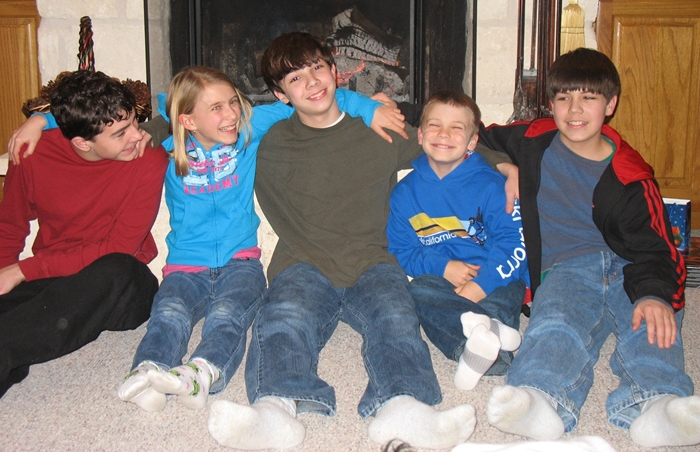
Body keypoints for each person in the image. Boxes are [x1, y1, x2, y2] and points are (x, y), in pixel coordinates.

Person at [9, 66, 402, 412]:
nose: (231, 114)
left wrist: (368, 106)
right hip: (184, 264)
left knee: (229, 315)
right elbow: (100, 120)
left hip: (241, 261)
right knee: (168, 312)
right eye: (216, 108)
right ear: (187, 120)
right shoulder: (164, 148)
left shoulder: (248, 130)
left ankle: (203, 372)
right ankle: (148, 371)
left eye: (232, 103)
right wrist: (43, 120)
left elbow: (308, 101)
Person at [205, 32, 513, 450]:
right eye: (295, 79)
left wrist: (502, 163)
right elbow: (196, 126)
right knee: (283, 318)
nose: (311, 82)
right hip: (303, 259)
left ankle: (403, 404)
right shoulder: (267, 143)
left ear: (335, 71)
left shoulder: (379, 131)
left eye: (317, 68)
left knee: (395, 319)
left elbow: (444, 143)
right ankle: (274, 408)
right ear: (280, 95)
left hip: (373, 260)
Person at [477, 48, 700, 448]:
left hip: (630, 266)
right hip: (567, 266)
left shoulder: (632, 177)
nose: (575, 109)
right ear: (550, 104)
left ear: (610, 105)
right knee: (556, 322)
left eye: (589, 98)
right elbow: (468, 132)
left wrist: (654, 294)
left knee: (652, 325)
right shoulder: (531, 140)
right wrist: (504, 164)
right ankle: (540, 399)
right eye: (564, 98)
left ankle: (659, 404)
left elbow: (659, 249)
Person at [0, 70, 168, 398]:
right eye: (121, 133)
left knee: (118, 267)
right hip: (53, 280)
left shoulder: (148, 158)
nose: (138, 135)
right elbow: (9, 227)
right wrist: (6, 274)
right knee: (21, 307)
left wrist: (22, 270)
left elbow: (119, 247)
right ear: (81, 142)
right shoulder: (33, 154)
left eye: (134, 122)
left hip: (122, 286)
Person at [387, 90, 529, 393]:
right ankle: (488, 337)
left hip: (494, 274)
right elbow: (402, 250)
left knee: (503, 296)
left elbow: (515, 244)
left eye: (456, 128)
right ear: (420, 135)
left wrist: (481, 285)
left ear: (472, 141)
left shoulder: (493, 186)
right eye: (435, 126)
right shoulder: (404, 192)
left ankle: (481, 336)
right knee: (417, 291)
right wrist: (443, 267)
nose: (444, 134)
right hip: (442, 280)